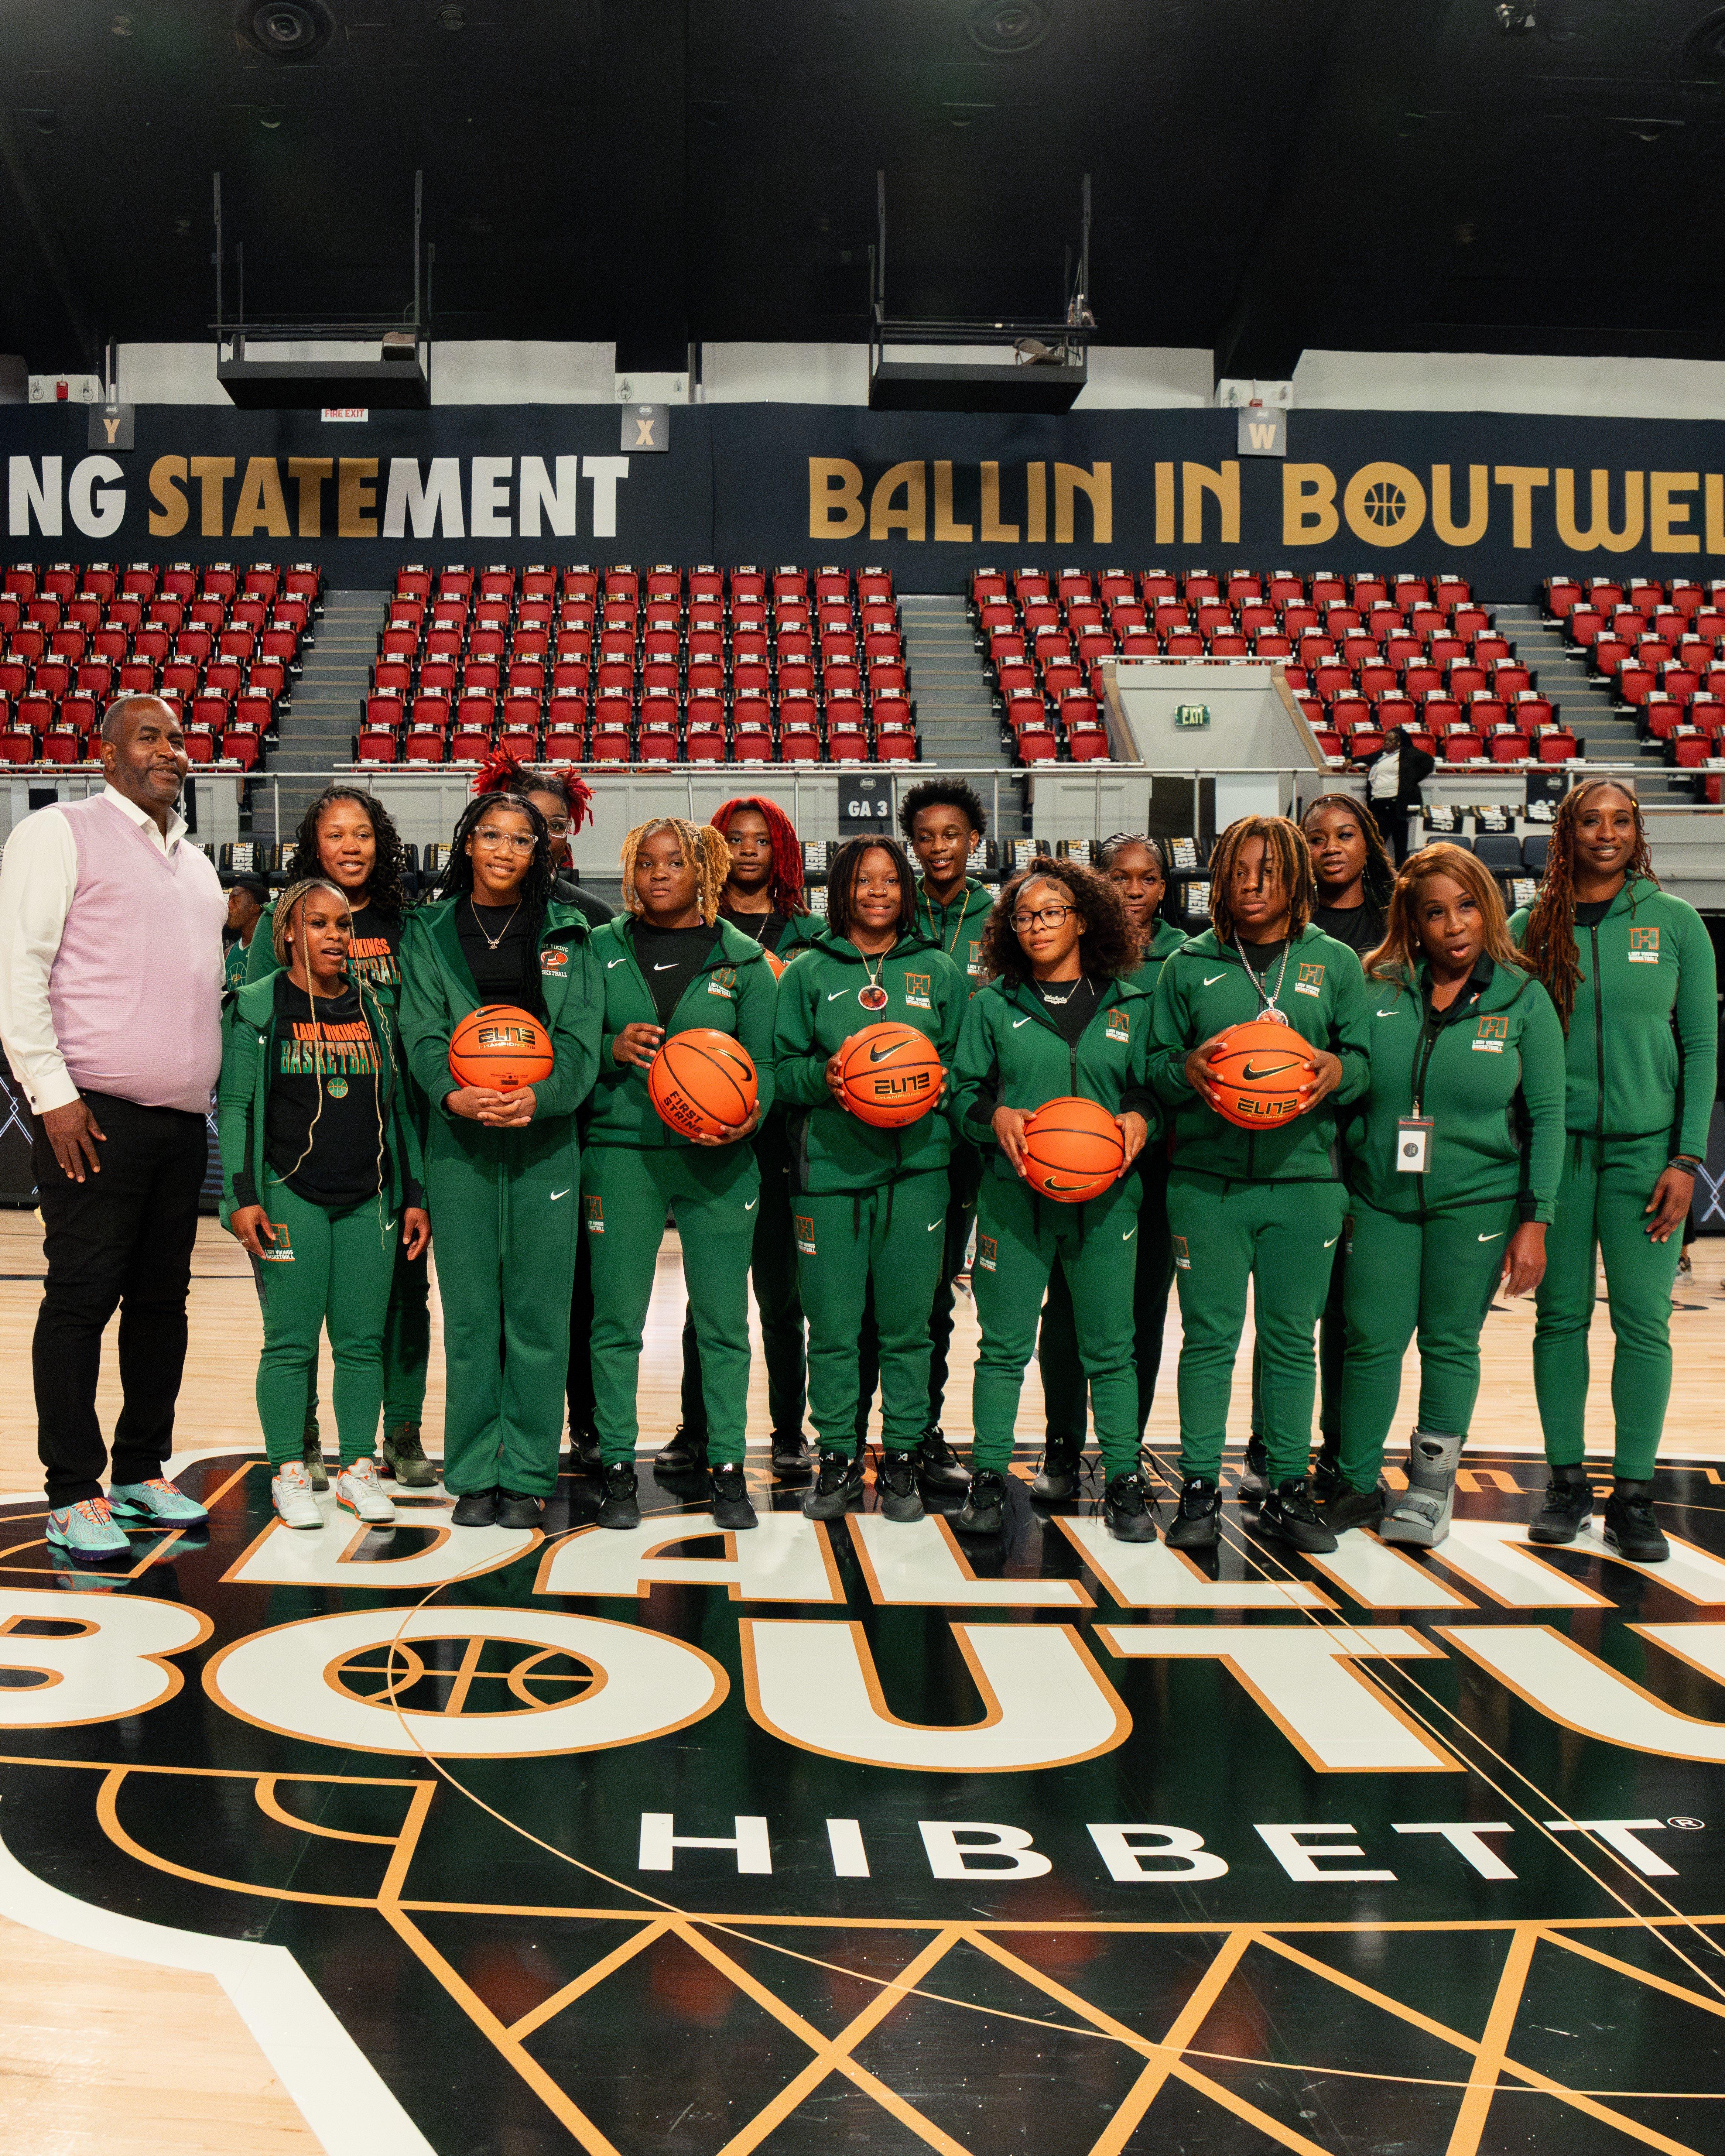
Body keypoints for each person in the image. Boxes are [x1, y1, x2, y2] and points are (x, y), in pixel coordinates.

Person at [0, 694, 225, 1556]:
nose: (171, 749)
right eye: (150, 736)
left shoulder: (197, 867)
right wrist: (52, 1096)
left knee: (161, 1304)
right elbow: (19, 967)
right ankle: (69, 1488)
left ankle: (140, 1468)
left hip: (178, 1124)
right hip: (92, 1116)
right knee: (82, 1299)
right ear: (107, 754)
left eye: (176, 736)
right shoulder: (60, 834)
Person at [1148, 815, 1372, 1555]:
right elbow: (1148, 1069)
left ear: (1294, 879)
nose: (1252, 884)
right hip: (1206, 1184)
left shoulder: (1334, 962)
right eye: (1239, 870)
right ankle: (1200, 1488)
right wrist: (1184, 1069)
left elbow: (1364, 1064)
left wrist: (1339, 1071)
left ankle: (1283, 1486)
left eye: (1268, 872)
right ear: (1217, 878)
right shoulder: (1187, 964)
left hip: (1305, 1182)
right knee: (1208, 1341)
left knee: (1289, 1342)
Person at [1333, 844, 1565, 1544]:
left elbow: (1548, 1116)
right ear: (1412, 919)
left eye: (1467, 907)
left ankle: (1430, 1490)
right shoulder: (1374, 985)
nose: (1454, 925)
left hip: (1479, 1202)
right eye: (1435, 912)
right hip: (1378, 1199)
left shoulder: (1523, 997)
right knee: (1370, 1342)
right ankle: (1352, 1481)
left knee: (1448, 1343)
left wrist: (1537, 1220)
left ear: (1488, 910)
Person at [1511, 781, 1717, 1562]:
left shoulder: (1674, 924)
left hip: (1645, 1156)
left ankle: (1634, 1496)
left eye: (1620, 821)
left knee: (1642, 1323)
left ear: (1638, 833)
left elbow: (1700, 1049)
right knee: (1557, 1318)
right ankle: (1565, 1485)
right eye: (1590, 821)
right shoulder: (1533, 924)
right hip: (1555, 1154)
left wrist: (1686, 1157)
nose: (1606, 833)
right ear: (1565, 832)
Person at [397, 790, 602, 1528]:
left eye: (523, 839)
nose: (507, 850)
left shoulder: (570, 931)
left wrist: (542, 1099)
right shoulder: (428, 930)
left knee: (540, 1315)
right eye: (493, 836)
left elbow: (580, 1039)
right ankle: (474, 1470)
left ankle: (525, 1472)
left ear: (539, 852)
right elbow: (420, 1029)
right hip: (460, 1140)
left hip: (545, 1141)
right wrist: (453, 1097)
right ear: (468, 842)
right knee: (473, 1314)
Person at [948, 857, 1160, 1544]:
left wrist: (1139, 1116)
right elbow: (960, 1094)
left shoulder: (1129, 1002)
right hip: (1014, 1198)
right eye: (1024, 914)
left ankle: (1124, 1477)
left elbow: (1150, 1086)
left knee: (1111, 1347)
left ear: (1083, 917)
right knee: (1002, 1346)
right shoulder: (993, 1004)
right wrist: (993, 1116)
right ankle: (987, 1475)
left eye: (1052, 911)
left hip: (1106, 1200)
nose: (1037, 924)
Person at [582, 819, 777, 1533]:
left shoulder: (746, 960)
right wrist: (609, 1045)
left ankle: (726, 1464)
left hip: (719, 1160)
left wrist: (748, 1115)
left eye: (675, 862)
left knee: (725, 1321)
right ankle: (615, 1468)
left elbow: (771, 1067)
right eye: (646, 863)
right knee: (616, 1321)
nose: (658, 874)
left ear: (704, 871)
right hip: (621, 1152)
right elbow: (570, 1046)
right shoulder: (598, 950)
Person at [219, 880, 430, 1528]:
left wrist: (414, 1192)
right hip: (290, 1195)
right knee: (289, 1343)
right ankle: (289, 1470)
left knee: (362, 1343)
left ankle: (358, 1468)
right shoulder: (257, 1005)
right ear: (288, 933)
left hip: (368, 1198)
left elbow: (396, 1107)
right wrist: (241, 1195)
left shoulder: (376, 1007)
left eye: (342, 924)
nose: (336, 935)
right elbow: (236, 1105)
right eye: (319, 924)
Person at [772, 836, 966, 1522]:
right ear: (842, 889)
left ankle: (905, 1457)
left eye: (890, 880)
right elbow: (780, 1070)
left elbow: (959, 1067)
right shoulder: (807, 972)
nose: (877, 892)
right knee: (830, 1327)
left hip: (917, 1169)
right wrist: (822, 1078)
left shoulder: (938, 970)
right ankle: (838, 1456)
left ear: (905, 890)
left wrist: (935, 1090)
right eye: (863, 880)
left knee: (909, 1327)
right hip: (827, 1169)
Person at [1243, 793, 1398, 1501]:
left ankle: (1341, 1445)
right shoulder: (1271, 930)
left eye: (1345, 834)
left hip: (1370, 1135)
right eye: (1315, 837)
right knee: (1287, 1312)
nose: (1331, 846)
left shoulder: (1397, 925)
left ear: (1369, 843)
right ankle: (1271, 1440)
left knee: (1353, 1311)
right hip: (1296, 1145)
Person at [662, 793, 816, 1480]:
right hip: (709, 1138)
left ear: (779, 849)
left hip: (783, 1138)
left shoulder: (808, 934)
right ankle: (695, 1428)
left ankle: (789, 1429)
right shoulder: (698, 933)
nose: (748, 849)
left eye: (761, 839)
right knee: (710, 1298)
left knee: (783, 1300)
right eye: (734, 838)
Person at [472, 751, 614, 1477]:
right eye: (526, 821)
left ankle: (584, 1425)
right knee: (493, 1297)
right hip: (477, 1132)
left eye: (554, 825)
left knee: (577, 1293)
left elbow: (605, 1030)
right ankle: (499, 1426)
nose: (540, 835)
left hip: (567, 1132)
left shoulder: (591, 921)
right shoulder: (454, 917)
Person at [1033, 834, 1185, 1498]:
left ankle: (1127, 1441)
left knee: (1142, 1314)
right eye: (1119, 877)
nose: (1133, 889)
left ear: (1164, 886)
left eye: (1147, 877)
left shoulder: (1186, 956)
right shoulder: (1078, 957)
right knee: (1065, 1312)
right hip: (1072, 1161)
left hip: (1158, 1163)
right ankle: (1062, 1445)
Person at [897, 777, 996, 1491]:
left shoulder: (1001, 916)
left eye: (951, 834)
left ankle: (922, 1429)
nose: (938, 847)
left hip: (966, 1130)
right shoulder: (888, 909)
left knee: (934, 1293)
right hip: (893, 1124)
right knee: (882, 1292)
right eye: (925, 835)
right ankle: (862, 1431)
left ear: (974, 840)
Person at [1353, 724, 1434, 866]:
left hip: (1397, 804)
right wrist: (1351, 761)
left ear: (1399, 743)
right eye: (1385, 740)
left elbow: (1429, 761)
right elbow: (1366, 758)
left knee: (1400, 843)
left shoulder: (1408, 753)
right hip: (1378, 804)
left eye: (1390, 741)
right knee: (1374, 842)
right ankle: (1375, 874)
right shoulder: (1382, 755)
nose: (1386, 743)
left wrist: (1411, 779)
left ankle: (1400, 874)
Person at [223, 875, 269, 990]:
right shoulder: (228, 954)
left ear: (255, 908)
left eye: (235, 900)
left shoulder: (274, 950)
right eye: (229, 900)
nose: (229, 905)